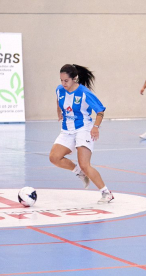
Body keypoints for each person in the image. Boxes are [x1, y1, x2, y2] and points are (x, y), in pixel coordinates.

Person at [49, 64, 114, 204]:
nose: (63, 83)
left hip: (83, 128)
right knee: (54, 157)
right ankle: (79, 173)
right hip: (67, 129)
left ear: (74, 79)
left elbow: (100, 111)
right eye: (61, 80)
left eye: (66, 80)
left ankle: (106, 193)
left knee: (85, 164)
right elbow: (58, 99)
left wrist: (95, 127)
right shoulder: (60, 90)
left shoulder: (84, 93)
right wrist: (59, 111)